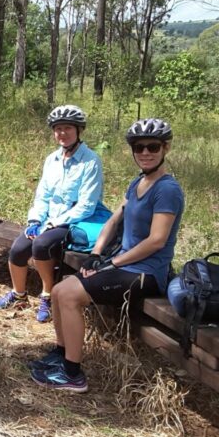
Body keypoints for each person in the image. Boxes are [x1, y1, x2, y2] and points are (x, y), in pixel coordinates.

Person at [29, 118, 184, 393]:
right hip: (123, 263)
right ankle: (61, 354)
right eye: (139, 147)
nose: (145, 153)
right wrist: (97, 254)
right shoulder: (138, 183)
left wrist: (112, 262)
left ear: (166, 148)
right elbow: (114, 220)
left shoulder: (167, 189)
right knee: (57, 290)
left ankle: (73, 374)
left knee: (69, 295)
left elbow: (156, 241)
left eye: (153, 147)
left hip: (145, 272)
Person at [0, 105, 105, 323]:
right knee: (17, 249)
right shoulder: (52, 159)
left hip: (71, 221)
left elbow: (86, 205)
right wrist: (35, 219)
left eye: (67, 128)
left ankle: (47, 294)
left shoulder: (90, 161)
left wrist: (54, 223)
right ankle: (19, 294)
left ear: (79, 130)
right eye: (58, 129)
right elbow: (42, 195)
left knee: (41, 246)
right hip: (47, 218)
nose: (62, 133)